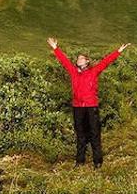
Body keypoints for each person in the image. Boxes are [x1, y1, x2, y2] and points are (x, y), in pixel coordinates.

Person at [48, 37, 130, 169]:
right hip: (78, 107)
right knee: (80, 134)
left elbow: (106, 62)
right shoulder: (74, 72)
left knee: (94, 134)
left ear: (87, 61)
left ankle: (98, 162)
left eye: (81, 58)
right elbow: (64, 61)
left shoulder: (93, 72)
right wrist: (55, 48)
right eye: (78, 58)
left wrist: (118, 51)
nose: (78, 60)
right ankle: (80, 161)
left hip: (91, 106)